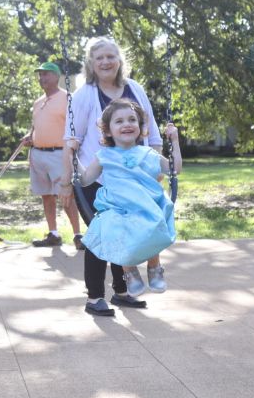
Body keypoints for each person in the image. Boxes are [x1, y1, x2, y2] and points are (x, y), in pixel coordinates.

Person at [60, 37, 168, 316]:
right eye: (100, 58)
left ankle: (122, 291)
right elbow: (71, 139)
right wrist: (65, 181)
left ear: (119, 60)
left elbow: (152, 132)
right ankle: (95, 296)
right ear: (91, 64)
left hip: (134, 178)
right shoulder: (85, 95)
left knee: (129, 231)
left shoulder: (135, 89)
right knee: (102, 233)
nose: (106, 62)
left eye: (111, 56)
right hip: (96, 177)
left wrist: (154, 169)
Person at [77, 99, 180, 311]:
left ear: (141, 127)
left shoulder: (149, 153)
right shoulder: (104, 155)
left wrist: (175, 141)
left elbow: (174, 169)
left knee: (151, 223)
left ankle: (154, 267)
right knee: (117, 227)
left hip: (145, 204)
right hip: (119, 207)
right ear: (107, 130)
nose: (127, 124)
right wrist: (73, 156)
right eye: (119, 121)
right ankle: (130, 272)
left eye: (132, 119)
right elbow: (86, 180)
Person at [21, 62, 82, 248]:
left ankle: (78, 235)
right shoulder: (37, 102)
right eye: (40, 75)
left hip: (59, 154)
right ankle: (53, 234)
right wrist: (30, 136)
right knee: (46, 195)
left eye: (46, 74)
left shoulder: (69, 98)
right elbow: (36, 127)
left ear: (57, 77)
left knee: (66, 196)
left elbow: (76, 127)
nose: (42, 78)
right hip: (38, 155)